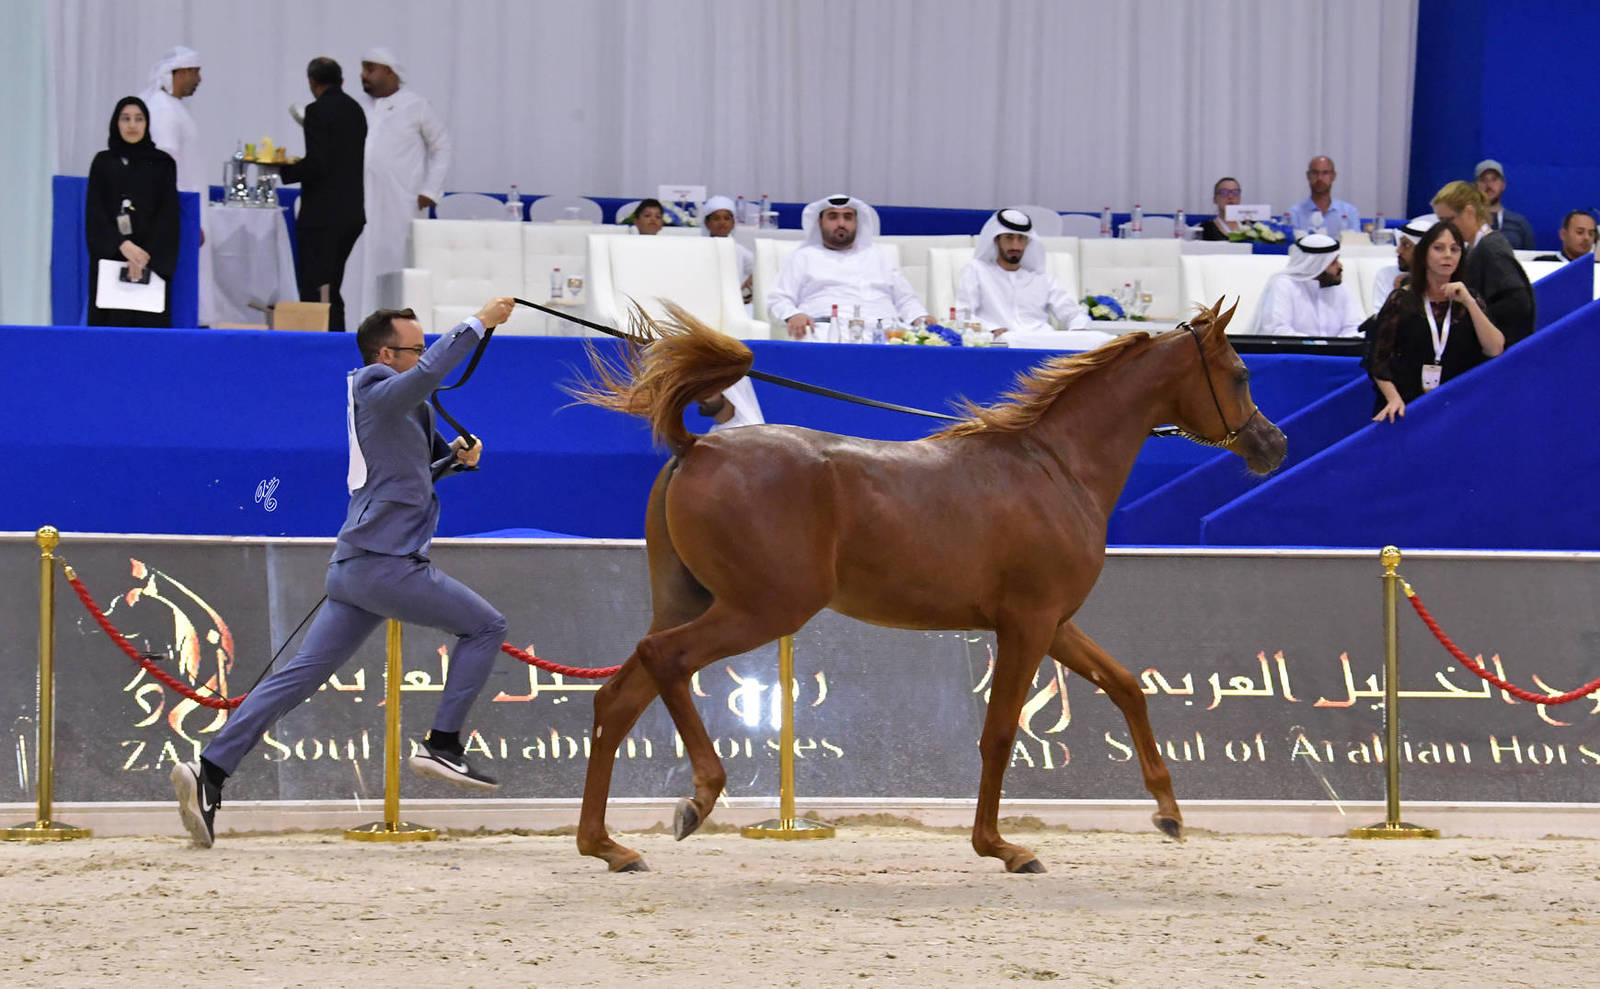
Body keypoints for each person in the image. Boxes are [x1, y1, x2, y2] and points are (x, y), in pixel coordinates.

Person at [171, 297, 517, 848]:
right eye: (415, 346)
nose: (423, 355)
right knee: (486, 627)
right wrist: (479, 323)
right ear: (386, 353)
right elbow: (430, 373)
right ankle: (442, 744)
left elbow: (408, 476)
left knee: (296, 678)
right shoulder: (376, 388)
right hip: (386, 565)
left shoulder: (398, 406)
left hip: (357, 569)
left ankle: (209, 770)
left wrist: (452, 459)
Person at [349, 47, 452, 320]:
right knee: (360, 263)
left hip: (402, 201)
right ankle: (357, 323)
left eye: (370, 69)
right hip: (361, 200)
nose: (363, 75)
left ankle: (397, 324)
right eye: (363, 69)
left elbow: (441, 147)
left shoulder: (416, 105)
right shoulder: (358, 107)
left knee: (398, 260)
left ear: (389, 72)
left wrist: (430, 190)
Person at [1367, 220, 1504, 422]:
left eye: (1454, 249)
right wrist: (1393, 398)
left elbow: (1495, 348)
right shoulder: (1401, 300)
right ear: (1424, 255)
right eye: (1439, 248)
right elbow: (1378, 360)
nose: (1448, 255)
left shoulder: (1469, 300)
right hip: (1407, 405)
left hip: (1456, 407)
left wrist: (1469, 302)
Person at [767, 193, 930, 340]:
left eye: (848, 217)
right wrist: (793, 315)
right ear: (820, 222)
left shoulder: (878, 256)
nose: (841, 223)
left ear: (857, 222)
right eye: (833, 217)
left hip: (887, 332)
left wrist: (921, 317)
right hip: (826, 331)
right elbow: (778, 299)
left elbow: (905, 299)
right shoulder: (803, 257)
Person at [280, 57, 367, 331]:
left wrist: (286, 170)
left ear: (312, 82)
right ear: (342, 80)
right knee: (332, 285)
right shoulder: (356, 110)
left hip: (323, 215)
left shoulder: (317, 111)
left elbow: (318, 163)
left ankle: (319, 343)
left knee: (316, 287)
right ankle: (338, 342)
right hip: (352, 213)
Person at [85, 97, 180, 328]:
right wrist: (122, 246)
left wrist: (143, 257)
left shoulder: (163, 164)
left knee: (147, 341)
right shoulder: (103, 162)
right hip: (111, 258)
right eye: (125, 119)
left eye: (139, 119)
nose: (132, 125)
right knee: (108, 340)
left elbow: (167, 218)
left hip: (151, 264)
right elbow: (95, 213)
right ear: (116, 123)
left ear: (147, 124)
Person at [139, 45, 214, 325]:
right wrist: (188, 219)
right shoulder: (162, 110)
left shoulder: (173, 108)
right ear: (180, 73)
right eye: (195, 72)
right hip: (179, 212)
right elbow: (169, 168)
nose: (199, 80)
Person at [1431, 180, 1535, 345]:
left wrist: (1472, 316)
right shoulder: (1479, 247)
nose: (1444, 229)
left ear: (1469, 212)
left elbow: (1519, 303)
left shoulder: (1490, 249)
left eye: (1448, 220)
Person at [955, 208, 1088, 335]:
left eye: (1021, 238)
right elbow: (962, 316)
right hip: (1002, 342)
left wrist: (1078, 329)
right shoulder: (977, 271)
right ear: (996, 240)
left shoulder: (1042, 279)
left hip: (1042, 342)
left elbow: (1074, 313)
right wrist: (990, 330)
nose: (1015, 246)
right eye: (1009, 237)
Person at [1254, 233, 1363, 337]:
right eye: (1333, 262)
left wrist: (1349, 339)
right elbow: (1277, 330)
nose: (1340, 266)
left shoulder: (1341, 288)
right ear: (1316, 265)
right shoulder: (1284, 285)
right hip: (1295, 354)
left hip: (1337, 354)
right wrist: (1317, 345)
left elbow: (1356, 326)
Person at [1370, 214, 1435, 314]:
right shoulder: (1386, 275)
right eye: (1400, 244)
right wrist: (1398, 295)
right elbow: (1379, 321)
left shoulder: (1440, 278)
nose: (1398, 250)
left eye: (1406, 245)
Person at [1288, 156, 1362, 238]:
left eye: (1325, 173)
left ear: (1334, 176)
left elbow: (1356, 245)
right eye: (1315, 173)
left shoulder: (1349, 212)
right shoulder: (1295, 213)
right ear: (1308, 176)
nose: (1319, 178)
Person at [1473, 160, 1535, 250]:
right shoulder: (1467, 222)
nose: (1489, 185)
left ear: (1503, 185)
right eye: (1483, 180)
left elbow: (1530, 259)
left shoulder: (1520, 224)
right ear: (1475, 186)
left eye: (1494, 179)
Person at [702, 195, 753, 303]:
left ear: (733, 223)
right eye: (716, 218)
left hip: (734, 302)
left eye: (727, 218)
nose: (722, 222)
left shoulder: (739, 250)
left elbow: (760, 267)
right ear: (707, 223)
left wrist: (749, 284)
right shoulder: (699, 248)